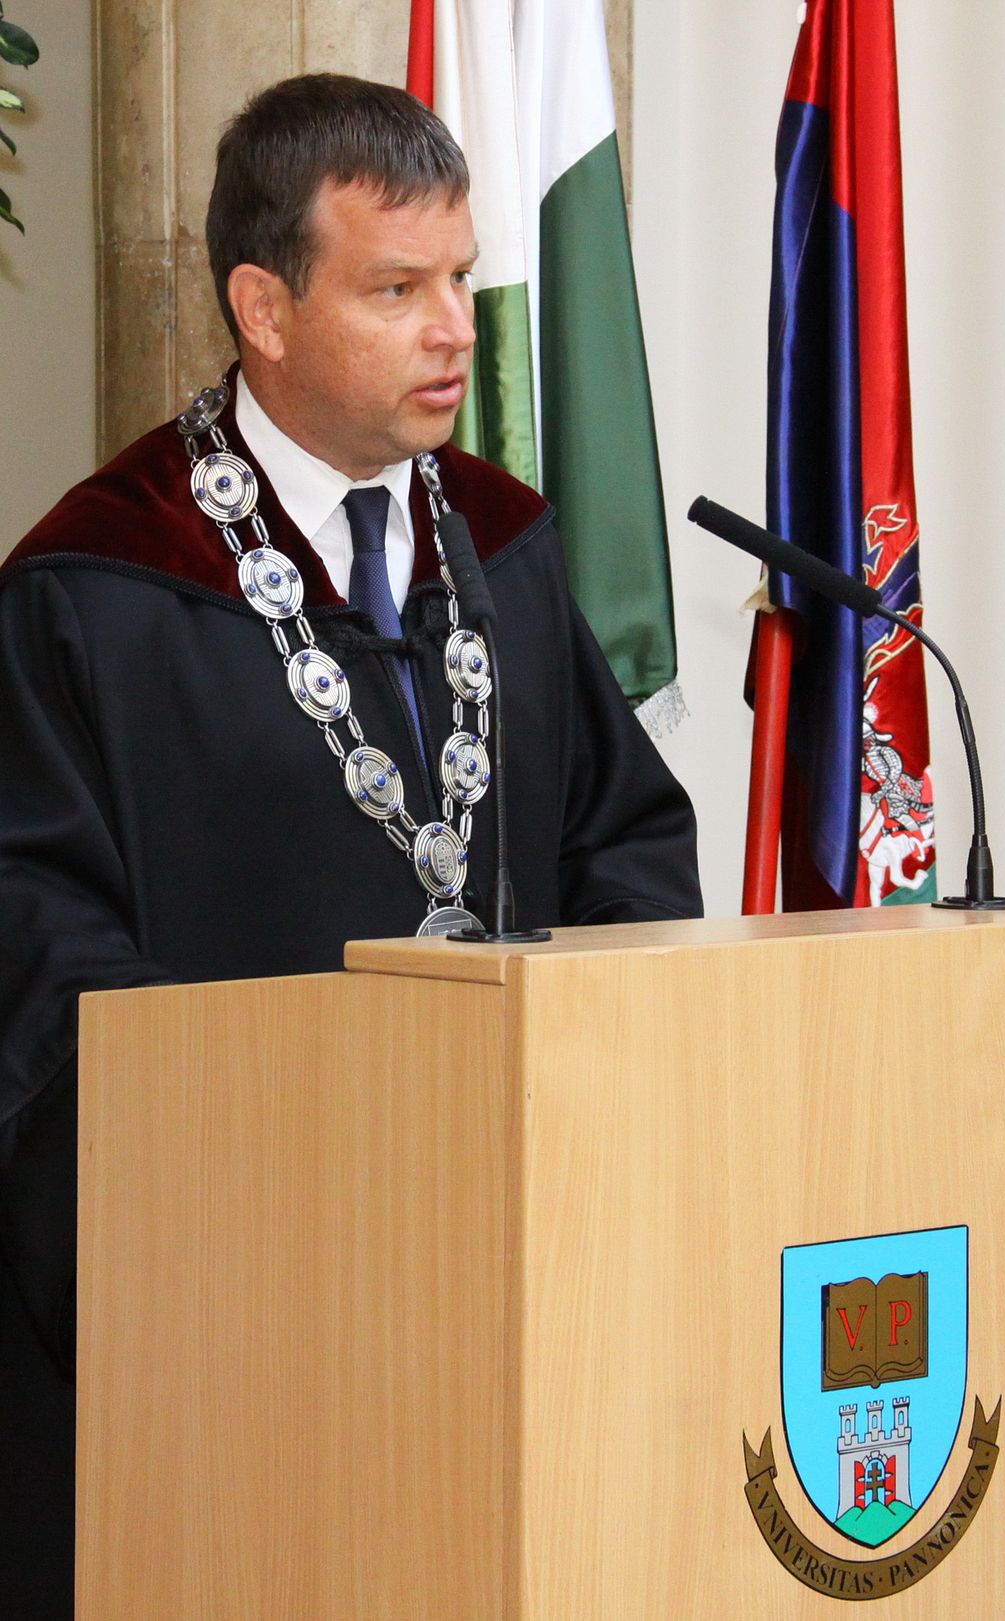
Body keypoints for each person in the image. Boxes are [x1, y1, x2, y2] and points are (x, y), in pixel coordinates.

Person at [0, 75, 701, 1617]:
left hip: (508, 1257)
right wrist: (245, 1179)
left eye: (460, 277)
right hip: (239, 1311)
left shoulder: (506, 546)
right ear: (264, 308)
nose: (456, 328)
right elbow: (39, 957)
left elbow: (627, 842)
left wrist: (604, 1097)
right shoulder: (97, 587)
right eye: (397, 290)